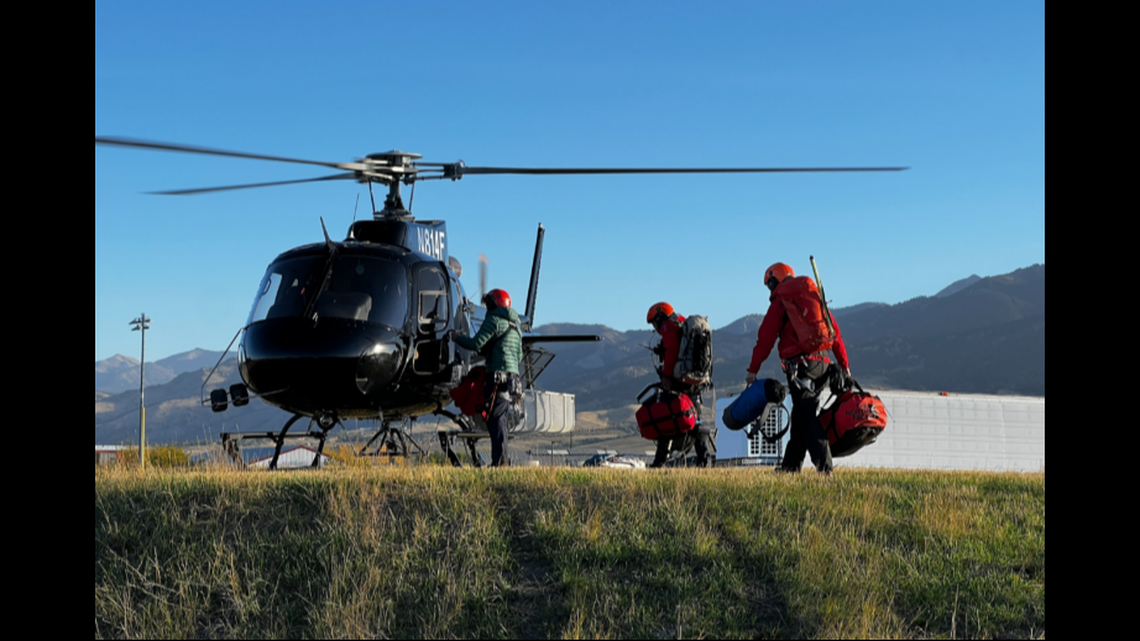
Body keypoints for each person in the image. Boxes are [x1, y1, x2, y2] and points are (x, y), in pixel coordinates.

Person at [745, 263, 851, 476]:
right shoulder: (814, 296)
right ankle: (790, 467)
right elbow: (835, 332)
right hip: (824, 365)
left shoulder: (781, 301)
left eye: (770, 284)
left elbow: (765, 339)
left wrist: (753, 370)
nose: (770, 290)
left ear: (776, 280)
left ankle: (825, 469)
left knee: (807, 418)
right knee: (801, 415)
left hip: (801, 368)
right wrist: (844, 365)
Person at [452, 289, 523, 467]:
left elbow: (475, 343)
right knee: (501, 418)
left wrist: (456, 338)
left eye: (489, 303)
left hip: (497, 377)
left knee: (496, 419)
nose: (487, 307)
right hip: (513, 378)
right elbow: (519, 356)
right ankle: (501, 460)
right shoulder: (516, 326)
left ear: (496, 304)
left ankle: (500, 462)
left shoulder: (493, 320)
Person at [646, 302, 713, 468]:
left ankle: (659, 461)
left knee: (667, 417)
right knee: (695, 418)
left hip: (679, 380)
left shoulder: (669, 326)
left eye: (655, 322)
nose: (656, 328)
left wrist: (667, 376)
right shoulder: (683, 323)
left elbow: (674, 349)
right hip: (697, 380)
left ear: (660, 316)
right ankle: (704, 458)